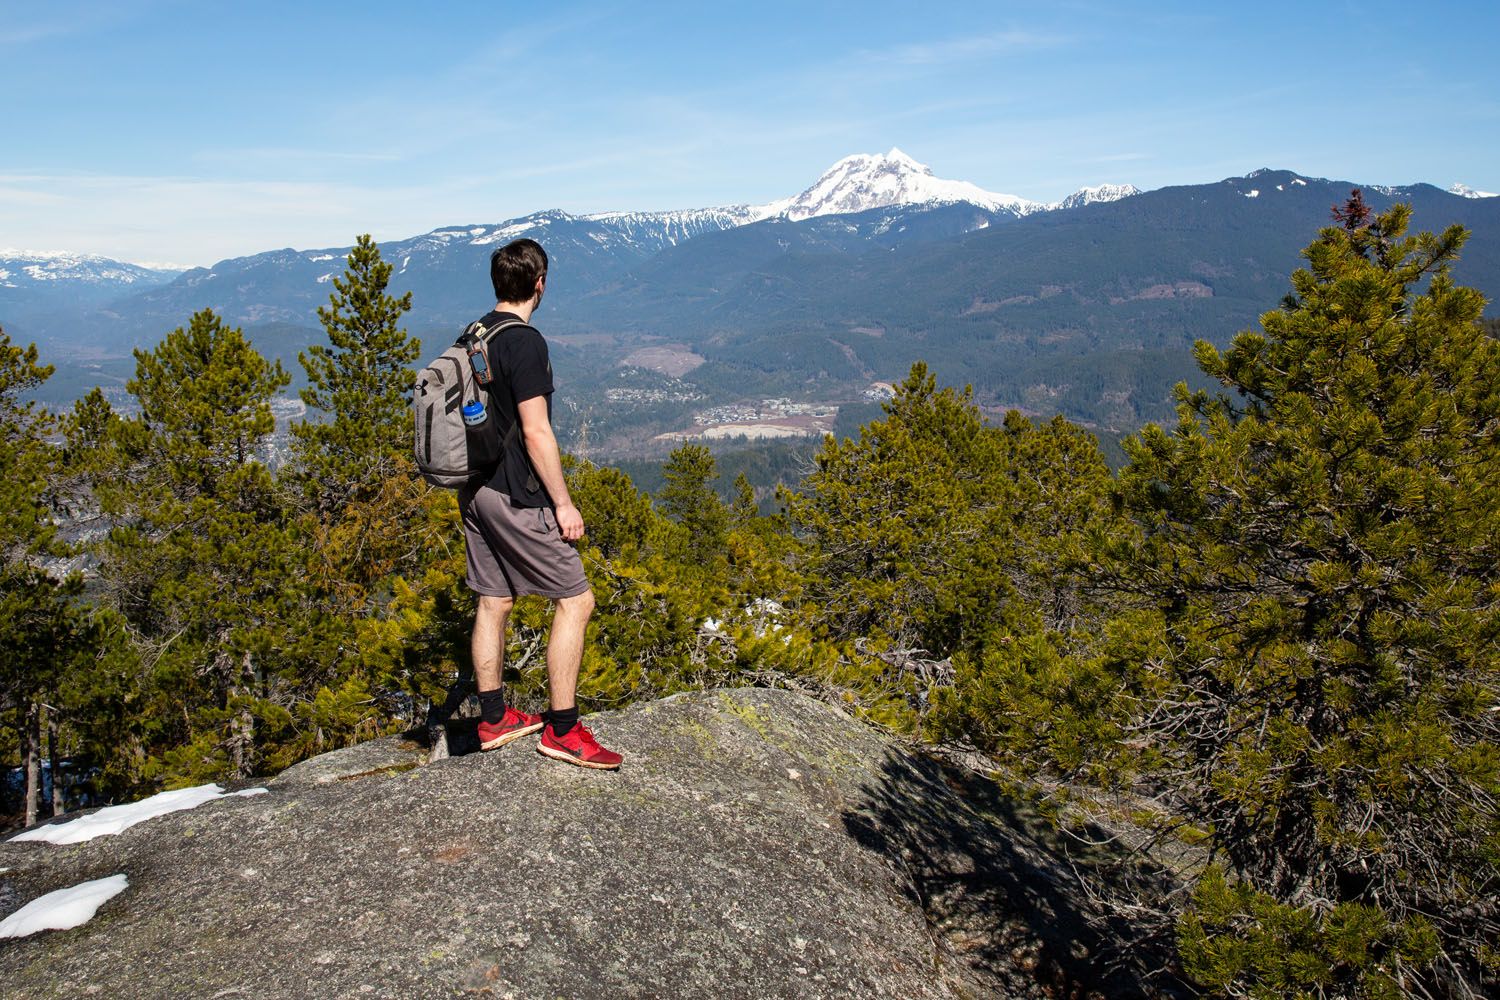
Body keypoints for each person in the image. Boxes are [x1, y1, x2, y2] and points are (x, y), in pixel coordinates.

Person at [458, 238, 622, 770]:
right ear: (539, 284)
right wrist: (564, 503)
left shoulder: (474, 334)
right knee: (576, 601)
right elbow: (536, 432)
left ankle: (492, 716)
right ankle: (564, 729)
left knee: (494, 600)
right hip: (516, 496)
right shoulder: (525, 343)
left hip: (475, 490)